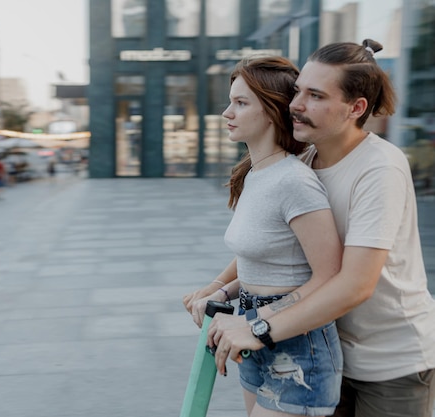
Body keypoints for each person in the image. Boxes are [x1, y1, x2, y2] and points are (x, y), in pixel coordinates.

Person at [199, 39, 435, 417]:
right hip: (322, 342)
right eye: (298, 92)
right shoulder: (305, 159)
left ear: (355, 108)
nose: (295, 104)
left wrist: (258, 328)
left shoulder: (380, 168)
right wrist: (219, 286)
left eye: (315, 95)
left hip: (391, 360)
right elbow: (270, 244)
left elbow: (355, 283)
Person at [185, 56, 344, 416]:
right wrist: (220, 290)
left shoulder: (294, 181)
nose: (227, 112)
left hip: (298, 347)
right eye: (231, 101)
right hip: (253, 331)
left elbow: (329, 276)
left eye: (241, 103)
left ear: (272, 112)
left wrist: (256, 323)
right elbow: (266, 260)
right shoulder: (257, 175)